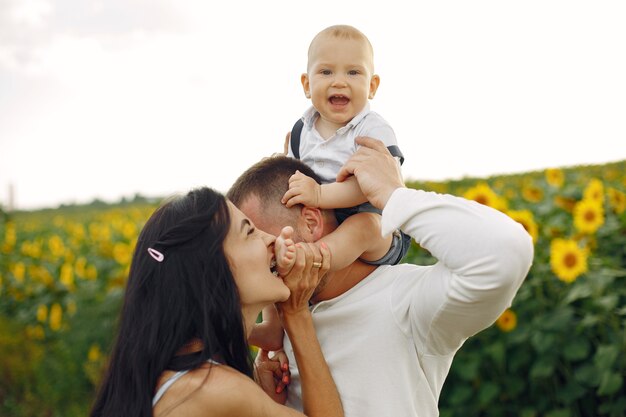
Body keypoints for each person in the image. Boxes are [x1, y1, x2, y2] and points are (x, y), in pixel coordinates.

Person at [227, 137, 534, 417]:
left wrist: (394, 196)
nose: (265, 261)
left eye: (269, 244)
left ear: (310, 222)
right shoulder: (279, 324)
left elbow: (506, 251)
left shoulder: (404, 301)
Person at [89, 187, 344, 417]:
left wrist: (262, 398)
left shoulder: (171, 379)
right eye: (250, 231)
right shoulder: (214, 389)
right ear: (212, 271)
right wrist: (297, 313)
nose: (272, 240)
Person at [248, 24, 411, 351]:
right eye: (326, 72)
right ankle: (272, 326)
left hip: (375, 223)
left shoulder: (371, 128)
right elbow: (290, 177)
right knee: (280, 234)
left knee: (363, 226)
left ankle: (314, 259)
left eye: (353, 72)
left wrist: (320, 194)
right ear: (307, 85)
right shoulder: (301, 130)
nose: (339, 81)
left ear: (372, 85)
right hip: (319, 217)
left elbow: (372, 187)